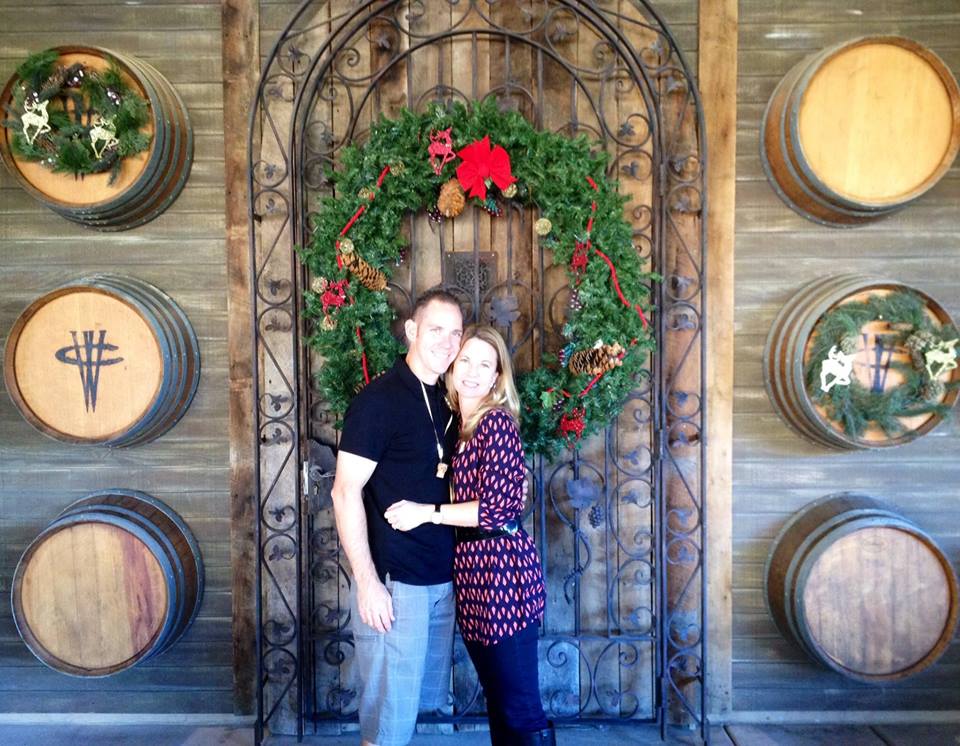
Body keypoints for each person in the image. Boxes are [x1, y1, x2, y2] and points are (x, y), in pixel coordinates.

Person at [385, 325, 553, 746]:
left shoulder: (495, 424)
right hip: (474, 574)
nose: (473, 372)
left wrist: (425, 514)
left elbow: (495, 511)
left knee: (520, 705)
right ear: (452, 366)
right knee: (499, 698)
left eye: (485, 365)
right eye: (465, 361)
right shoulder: (459, 426)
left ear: (497, 376)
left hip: (502, 573)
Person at [330, 288, 464, 746]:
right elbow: (344, 492)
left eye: (455, 333)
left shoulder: (450, 400)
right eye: (436, 329)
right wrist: (367, 582)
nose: (447, 342)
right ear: (411, 330)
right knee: (387, 723)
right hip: (395, 585)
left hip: (440, 581)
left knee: (416, 708)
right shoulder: (379, 401)